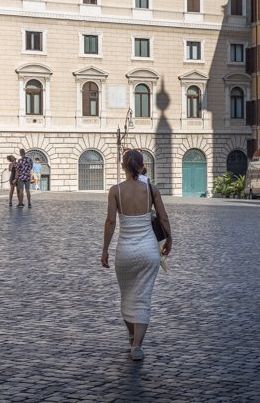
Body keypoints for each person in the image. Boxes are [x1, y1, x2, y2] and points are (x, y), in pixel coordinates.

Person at [102, 150, 172, 362]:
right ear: (142, 166)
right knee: (143, 298)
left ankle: (132, 335)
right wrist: (169, 239)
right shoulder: (151, 190)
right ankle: (137, 346)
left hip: (125, 251)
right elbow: (163, 217)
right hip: (148, 251)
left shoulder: (116, 191)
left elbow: (111, 222)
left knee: (127, 296)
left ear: (123, 166)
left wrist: (105, 249)